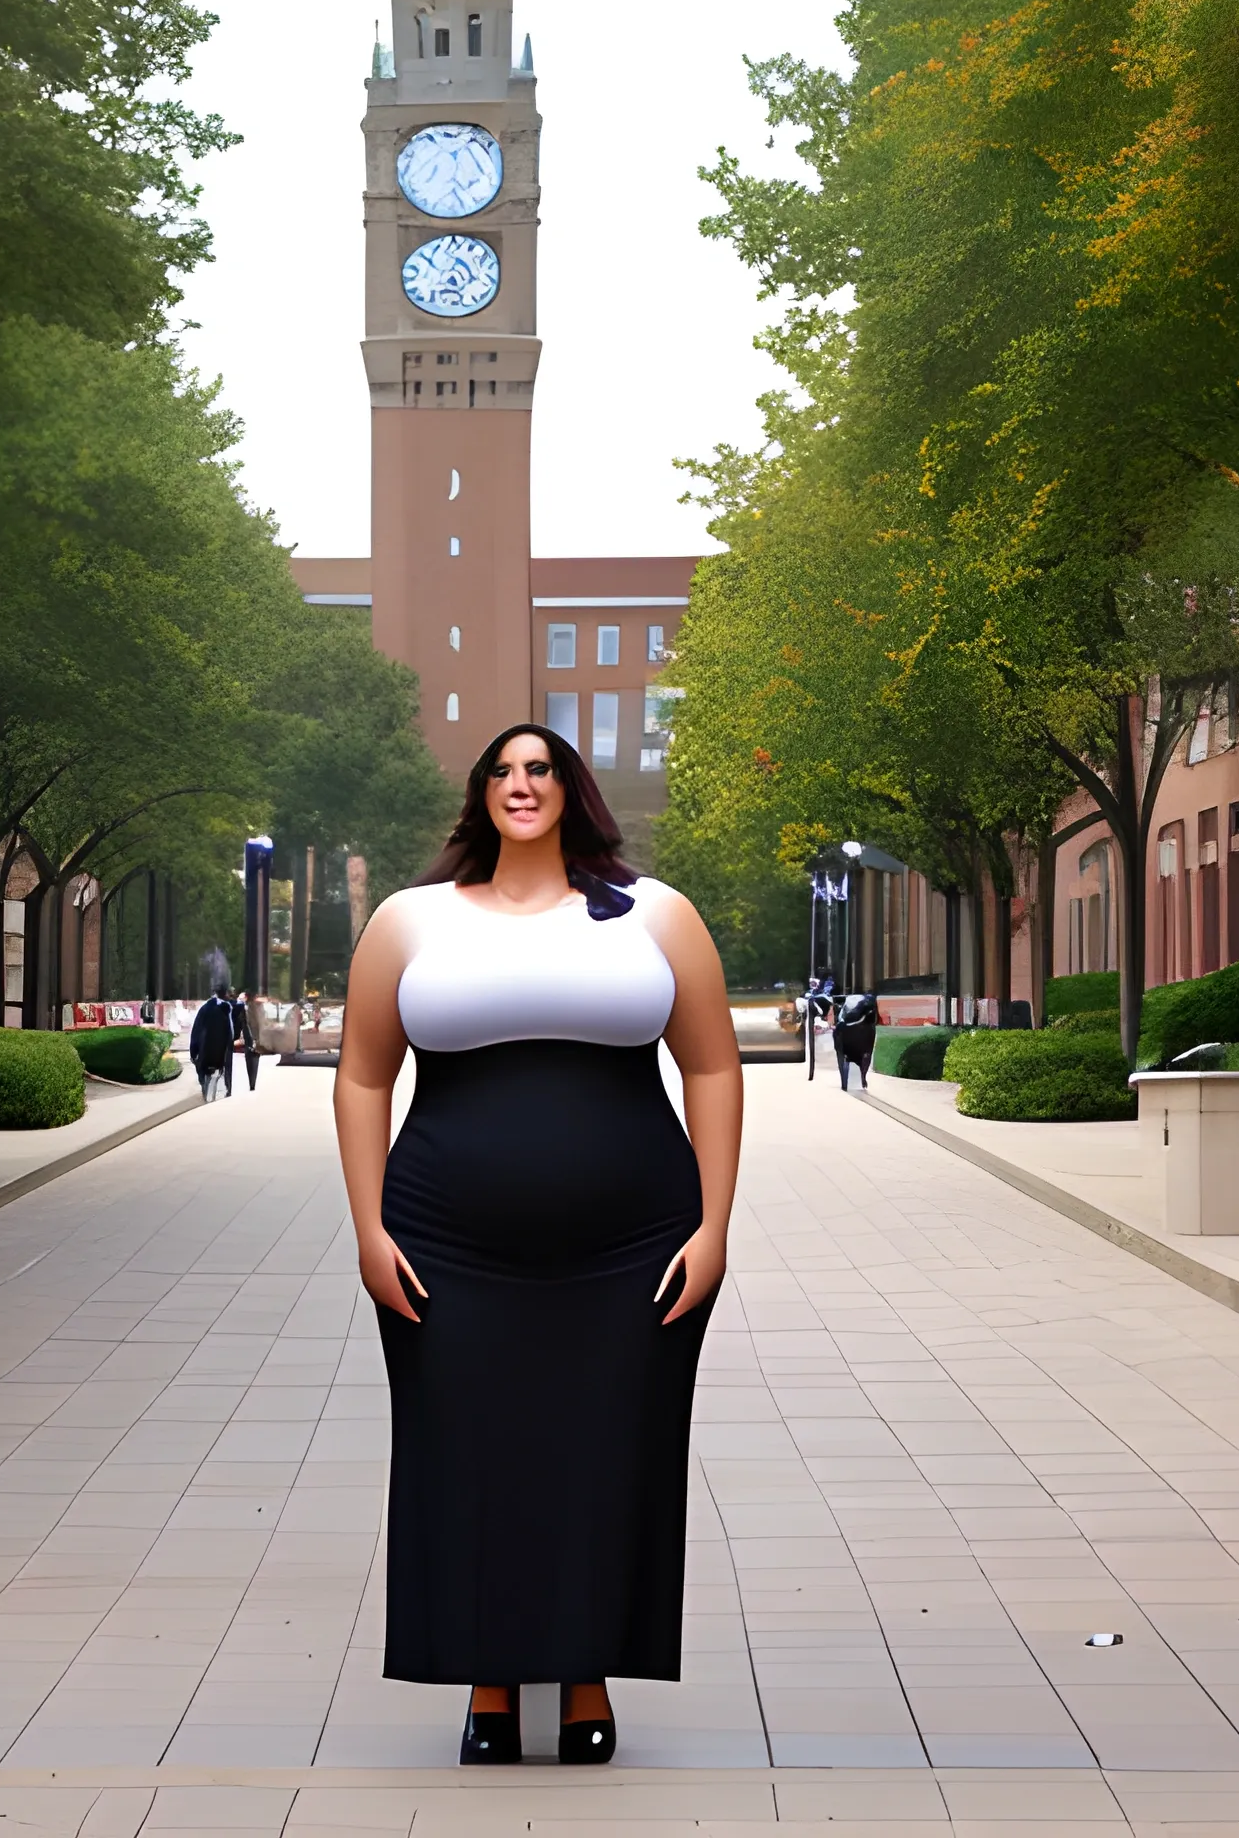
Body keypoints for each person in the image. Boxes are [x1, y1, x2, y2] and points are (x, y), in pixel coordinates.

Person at [334, 724, 742, 1768]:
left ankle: (588, 1676)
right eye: (503, 770)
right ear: (478, 793)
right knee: (465, 1448)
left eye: (540, 769)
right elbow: (363, 1076)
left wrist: (713, 1224)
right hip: (446, 1245)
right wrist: (368, 1226)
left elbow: (710, 1067)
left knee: (610, 1449)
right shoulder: (407, 920)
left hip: (634, 1246)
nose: (522, 784)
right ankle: (487, 1679)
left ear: (570, 790)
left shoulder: (655, 914)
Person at [189, 993, 235, 1102]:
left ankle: (207, 1098)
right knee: (214, 1077)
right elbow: (230, 1035)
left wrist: (193, 1052)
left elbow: (195, 1033)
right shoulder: (225, 1011)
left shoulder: (203, 1010)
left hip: (204, 1053)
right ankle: (210, 1100)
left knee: (204, 1079)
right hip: (218, 1054)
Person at [832, 989, 880, 1091]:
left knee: (842, 1054)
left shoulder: (848, 1003)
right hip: (864, 1034)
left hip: (845, 1031)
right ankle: (863, 1076)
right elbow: (876, 1020)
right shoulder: (870, 1003)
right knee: (867, 1053)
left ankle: (844, 1083)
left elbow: (840, 1018)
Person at [235, 992, 261, 1091]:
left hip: (251, 1040)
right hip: (253, 1039)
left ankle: (252, 1082)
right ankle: (252, 1082)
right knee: (253, 1061)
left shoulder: (247, 1010)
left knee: (251, 1060)